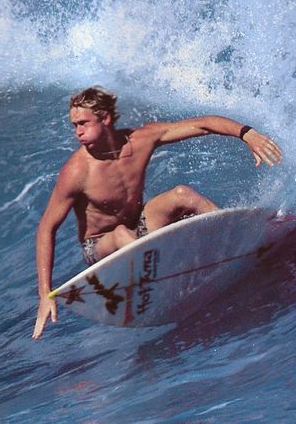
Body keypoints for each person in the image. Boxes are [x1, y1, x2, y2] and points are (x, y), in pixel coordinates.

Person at [32, 86, 282, 339]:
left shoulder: (141, 139)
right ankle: (165, 280)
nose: (78, 132)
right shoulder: (77, 171)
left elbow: (203, 124)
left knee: (182, 194)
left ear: (105, 118)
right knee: (120, 233)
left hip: (139, 230)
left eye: (83, 123)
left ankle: (239, 239)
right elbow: (46, 228)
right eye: (74, 125)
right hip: (101, 247)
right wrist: (45, 293)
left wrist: (246, 134)